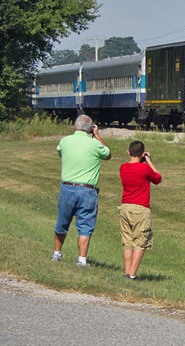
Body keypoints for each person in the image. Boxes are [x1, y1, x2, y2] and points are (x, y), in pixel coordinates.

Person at [52, 114, 111, 266]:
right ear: (91, 128)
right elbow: (107, 154)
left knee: (62, 222)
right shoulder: (94, 144)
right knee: (85, 224)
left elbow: (60, 152)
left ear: (75, 126)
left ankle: (57, 253)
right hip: (87, 190)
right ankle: (82, 259)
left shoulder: (65, 141)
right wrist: (97, 135)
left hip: (67, 187)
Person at [119, 140, 162, 280]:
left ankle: (126, 272)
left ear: (128, 152)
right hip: (140, 208)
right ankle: (132, 274)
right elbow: (158, 178)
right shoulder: (144, 168)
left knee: (128, 241)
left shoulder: (123, 167)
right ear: (142, 154)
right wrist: (148, 160)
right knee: (140, 242)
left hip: (125, 206)